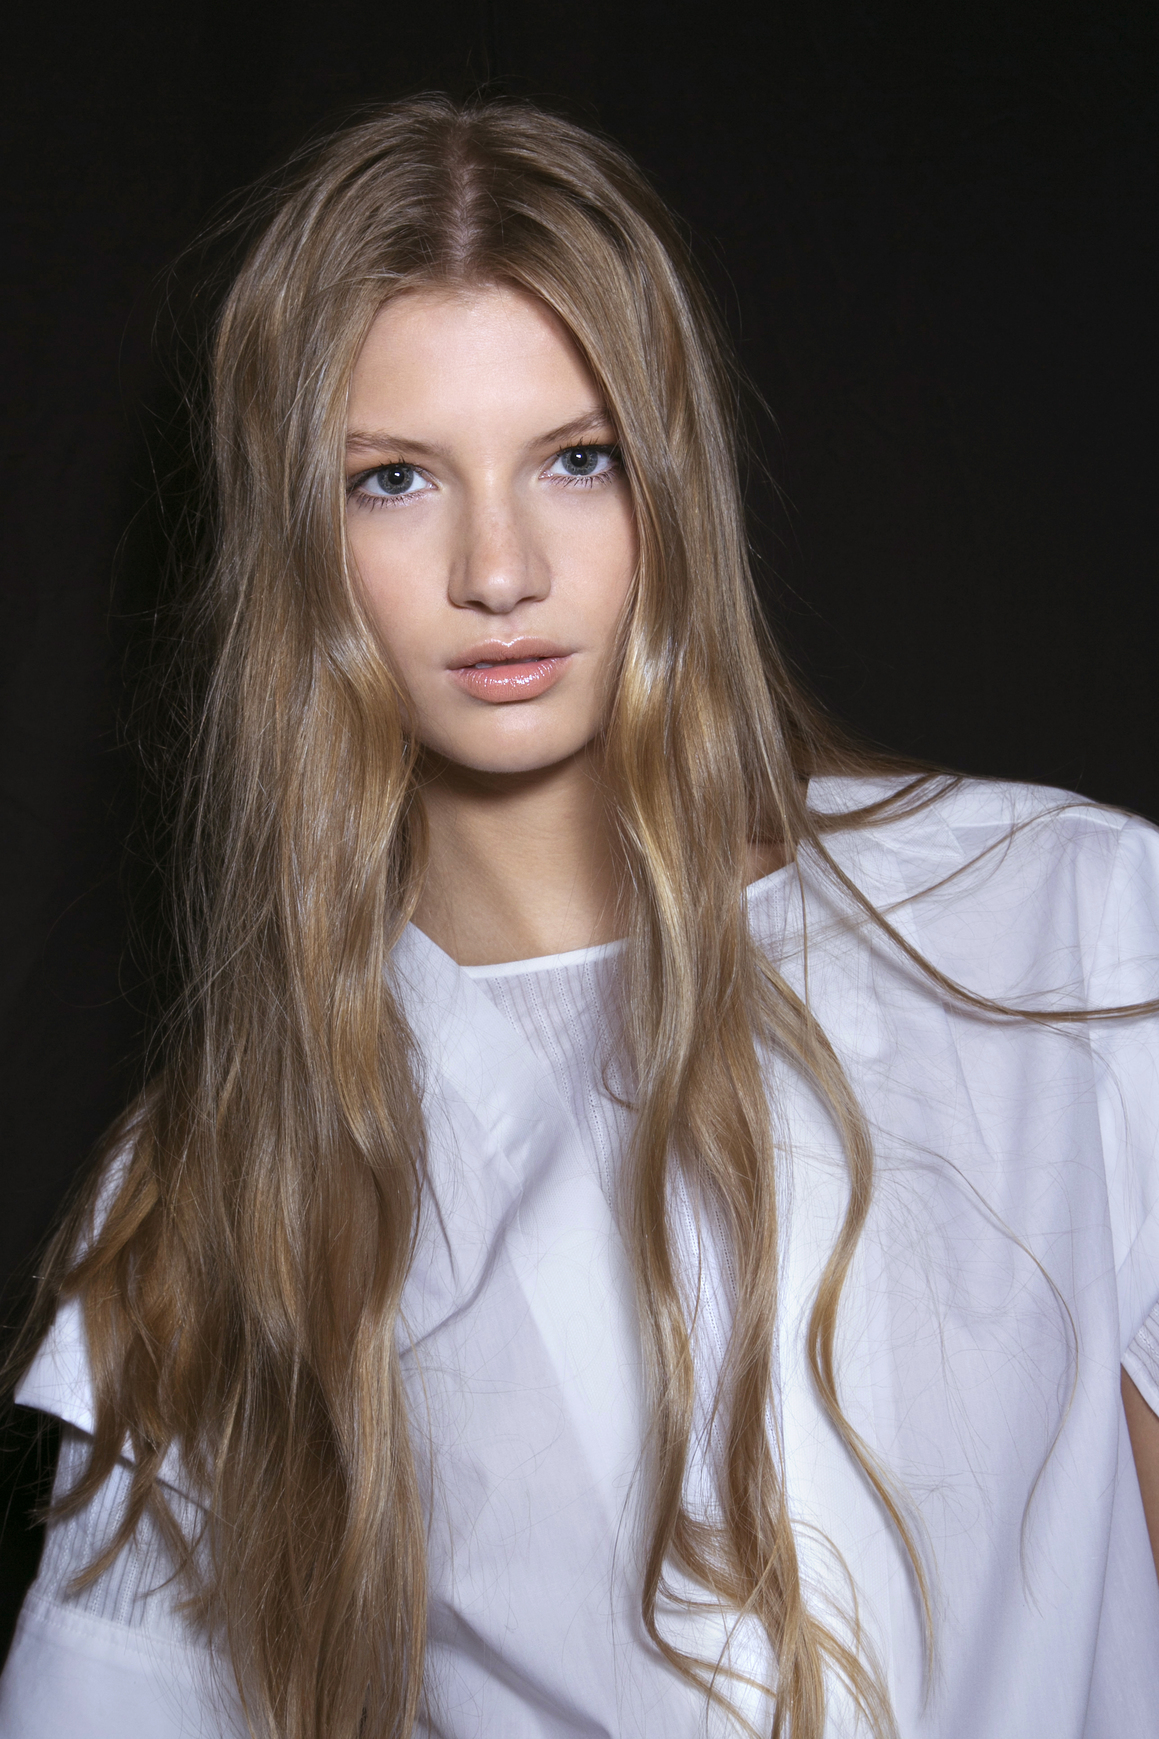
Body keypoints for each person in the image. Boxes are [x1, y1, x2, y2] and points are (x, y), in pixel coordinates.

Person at [1, 95, 1157, 1739]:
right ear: (297, 544)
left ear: (672, 482)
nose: (500, 569)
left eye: (577, 459)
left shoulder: (1066, 931)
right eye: (394, 480)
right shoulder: (226, 1184)